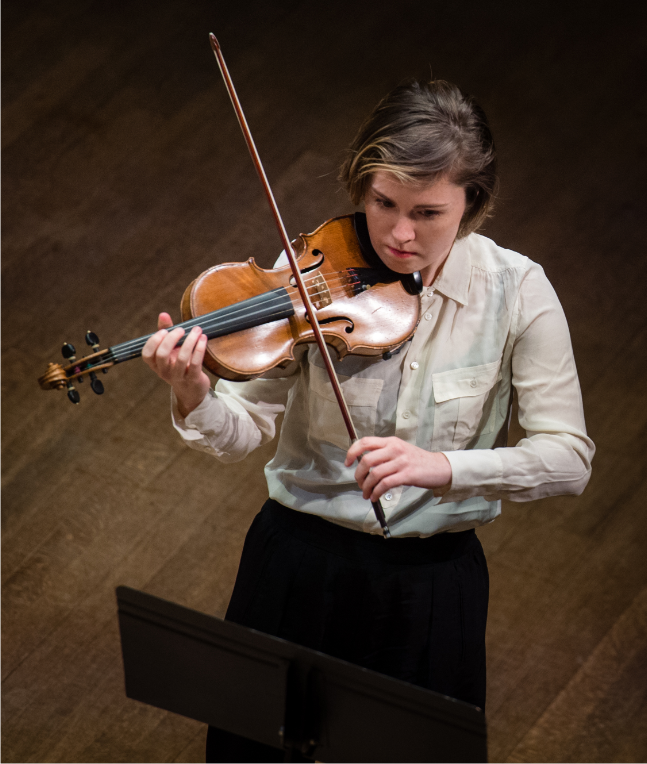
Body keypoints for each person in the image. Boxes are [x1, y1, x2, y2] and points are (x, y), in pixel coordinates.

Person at [142, 79, 594, 762]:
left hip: (429, 586)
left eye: (428, 212)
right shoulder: (308, 274)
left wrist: (439, 468)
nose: (399, 233)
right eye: (382, 203)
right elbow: (237, 433)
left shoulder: (516, 292)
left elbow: (568, 459)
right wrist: (194, 394)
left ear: (472, 205)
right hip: (294, 563)